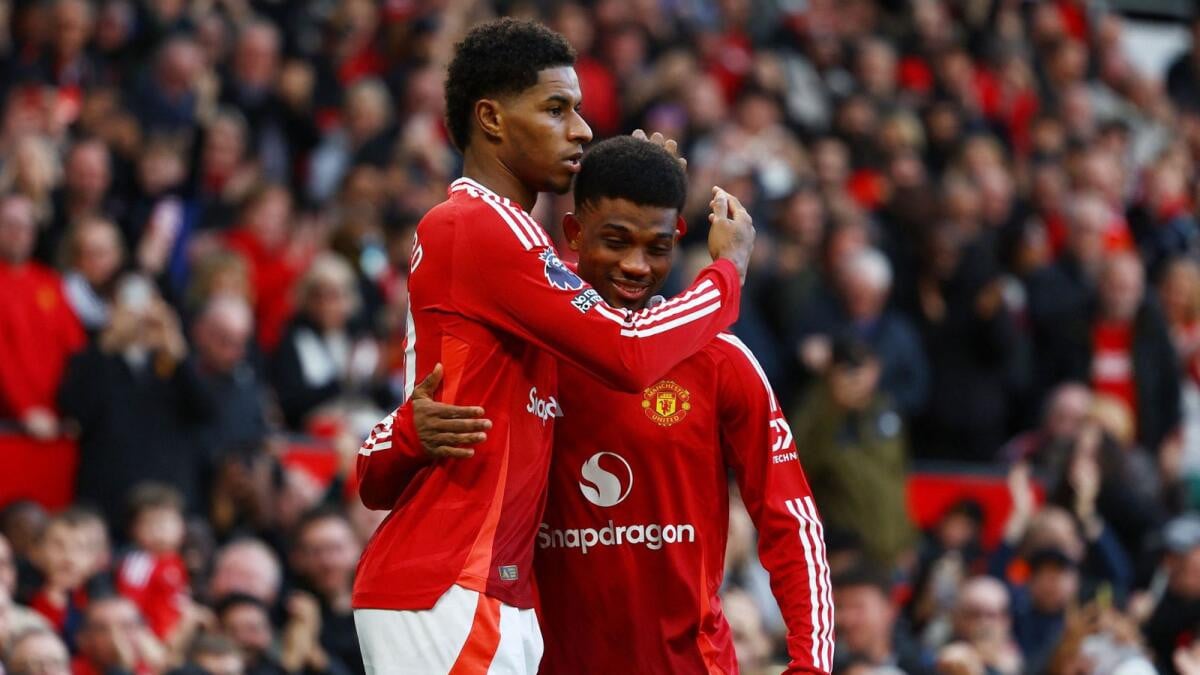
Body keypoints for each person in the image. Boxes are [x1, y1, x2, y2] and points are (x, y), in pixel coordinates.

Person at [351, 18, 753, 674]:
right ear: (491, 118)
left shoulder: (510, 242)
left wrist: (645, 194)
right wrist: (727, 274)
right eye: (556, 108)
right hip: (454, 583)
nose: (583, 129)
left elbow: (584, 301)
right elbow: (627, 352)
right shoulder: (476, 226)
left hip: (480, 589)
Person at [403, 136, 831, 672]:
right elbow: (544, 283)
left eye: (656, 247)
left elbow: (791, 518)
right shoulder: (523, 355)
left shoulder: (720, 359)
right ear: (574, 234)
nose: (636, 265)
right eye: (615, 241)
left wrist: (811, 664)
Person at [0, 192, 86, 440]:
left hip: (57, 422)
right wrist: (25, 408)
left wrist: (76, 406)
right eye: (10, 225)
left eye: (26, 226)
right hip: (12, 425)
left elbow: (75, 348)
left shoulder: (50, 283)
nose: (19, 233)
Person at [115, 483, 190, 641]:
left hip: (177, 635)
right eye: (150, 523)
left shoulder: (178, 562)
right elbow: (130, 608)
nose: (159, 530)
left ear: (182, 526)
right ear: (134, 530)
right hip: (149, 641)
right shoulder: (138, 563)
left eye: (165, 522)